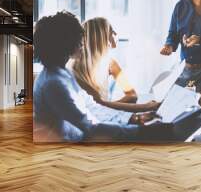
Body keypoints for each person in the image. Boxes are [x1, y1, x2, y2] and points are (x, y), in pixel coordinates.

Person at [33, 12, 143, 142]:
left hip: (76, 139)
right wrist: (142, 131)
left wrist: (133, 119)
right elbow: (90, 126)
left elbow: (93, 108)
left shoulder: (64, 73)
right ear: (66, 42)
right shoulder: (54, 83)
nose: (83, 43)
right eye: (78, 38)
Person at [72, 17, 160, 114]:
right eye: (111, 31)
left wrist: (108, 106)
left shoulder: (110, 63)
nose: (115, 34)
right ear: (100, 37)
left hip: (101, 117)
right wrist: (145, 107)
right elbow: (98, 105)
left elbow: (132, 95)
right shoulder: (76, 69)